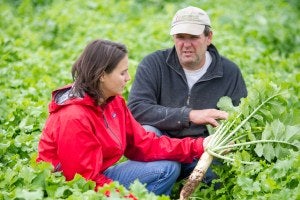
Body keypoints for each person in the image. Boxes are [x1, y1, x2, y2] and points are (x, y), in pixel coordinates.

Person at [36, 39, 215, 196]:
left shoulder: (113, 102)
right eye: (122, 73)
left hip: (100, 174)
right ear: (102, 76)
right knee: (165, 169)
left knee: (168, 166)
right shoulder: (73, 117)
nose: (128, 78)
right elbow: (83, 183)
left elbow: (144, 143)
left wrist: (199, 145)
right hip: (75, 187)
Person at [127, 6, 247, 183]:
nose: (186, 44)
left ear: (209, 37)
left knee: (220, 171)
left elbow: (239, 121)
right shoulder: (154, 64)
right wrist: (189, 115)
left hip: (204, 152)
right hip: (162, 146)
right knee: (148, 131)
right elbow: (136, 109)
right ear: (173, 38)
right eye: (180, 37)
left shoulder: (229, 72)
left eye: (193, 37)